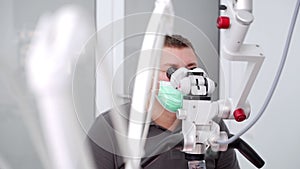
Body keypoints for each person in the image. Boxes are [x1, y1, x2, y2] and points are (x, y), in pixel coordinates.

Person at [87, 34, 240, 169]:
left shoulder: (211, 123)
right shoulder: (109, 127)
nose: (185, 78)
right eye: (172, 71)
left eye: (191, 69)